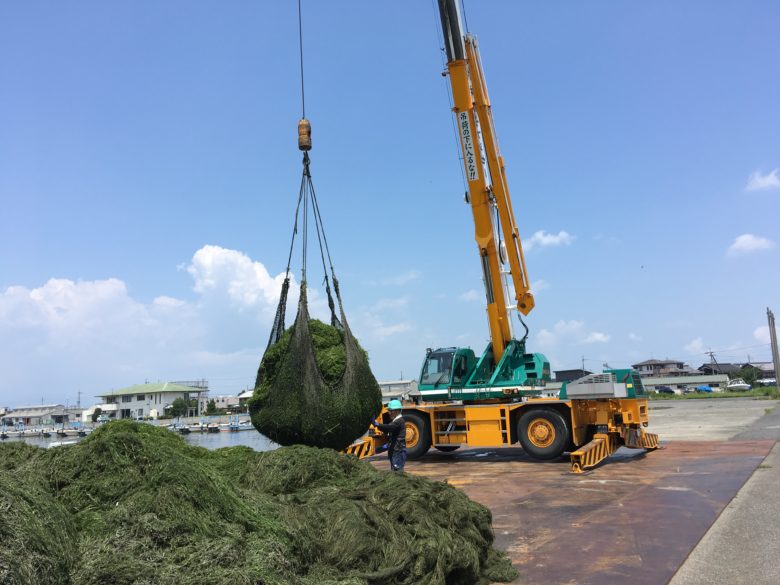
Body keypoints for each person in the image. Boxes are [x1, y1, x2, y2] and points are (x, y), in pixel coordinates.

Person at [374, 399, 406, 472]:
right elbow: (388, 430)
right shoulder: (395, 421)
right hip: (395, 451)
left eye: (390, 410)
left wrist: (378, 425)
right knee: (395, 472)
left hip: (398, 452)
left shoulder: (399, 421)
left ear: (396, 411)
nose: (388, 412)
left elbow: (389, 427)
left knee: (398, 474)